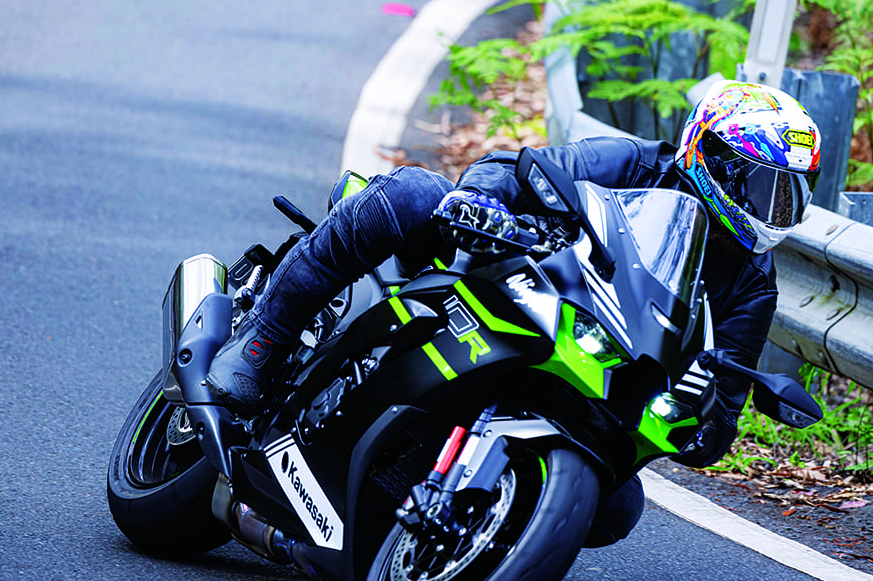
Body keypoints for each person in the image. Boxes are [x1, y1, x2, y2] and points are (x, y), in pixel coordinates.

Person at [206, 80, 821, 483]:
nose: (775, 209)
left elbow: (722, 411)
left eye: (790, 194)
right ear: (709, 155)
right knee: (415, 192)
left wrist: (703, 415)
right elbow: (520, 166)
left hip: (601, 367)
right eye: (762, 185)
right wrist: (481, 202)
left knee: (616, 508)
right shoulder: (638, 163)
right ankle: (265, 335)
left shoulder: (753, 284)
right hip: (523, 277)